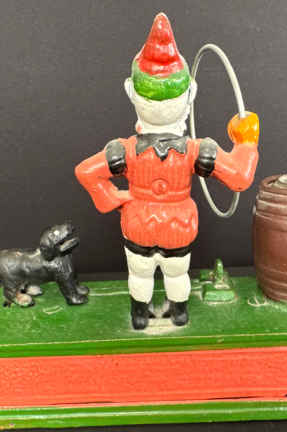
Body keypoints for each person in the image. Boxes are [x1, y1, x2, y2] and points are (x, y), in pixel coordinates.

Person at [76, 13, 259, 330]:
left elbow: (86, 172)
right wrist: (247, 142)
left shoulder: (124, 150)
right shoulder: (196, 151)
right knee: (177, 272)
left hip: (138, 222)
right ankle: (180, 313)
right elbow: (240, 178)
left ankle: (139, 316)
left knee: (139, 272)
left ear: (130, 92)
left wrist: (113, 198)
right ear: (191, 94)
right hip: (178, 224)